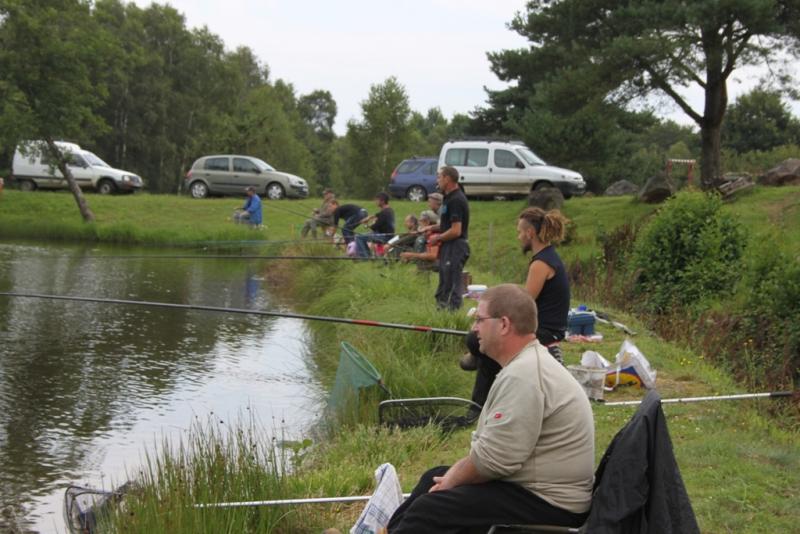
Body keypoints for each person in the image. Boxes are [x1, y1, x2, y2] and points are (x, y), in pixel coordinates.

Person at [387, 284, 594, 533]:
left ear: (504, 325)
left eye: (479, 320)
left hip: (551, 503)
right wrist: (451, 476)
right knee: (433, 477)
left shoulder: (525, 375)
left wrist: (454, 479)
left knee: (431, 509)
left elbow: (493, 461)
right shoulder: (524, 365)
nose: (474, 329)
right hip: (534, 488)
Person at [463, 207, 571, 408]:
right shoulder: (547, 257)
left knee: (480, 340)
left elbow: (524, 304)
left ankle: (477, 408)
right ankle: (484, 391)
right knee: (483, 337)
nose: (519, 236)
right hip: (547, 325)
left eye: (520, 232)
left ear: (530, 233)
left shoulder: (541, 263)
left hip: (547, 331)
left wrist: (493, 311)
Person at [430, 166, 469, 310]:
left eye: (439, 177)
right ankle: (440, 316)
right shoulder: (448, 198)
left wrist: (437, 238)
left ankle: (451, 321)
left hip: (456, 247)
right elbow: (448, 225)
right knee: (444, 284)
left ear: (447, 178)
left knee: (451, 286)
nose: (437, 180)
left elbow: (456, 230)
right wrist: (430, 228)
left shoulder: (456, 200)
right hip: (449, 247)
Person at [355, 192, 395, 258]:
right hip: (386, 234)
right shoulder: (389, 210)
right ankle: (367, 256)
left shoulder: (384, 213)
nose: (375, 202)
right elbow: (378, 214)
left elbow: (375, 226)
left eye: (377, 200)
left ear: (382, 201)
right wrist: (369, 217)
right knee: (363, 236)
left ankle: (365, 257)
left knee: (359, 237)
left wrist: (366, 225)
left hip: (384, 236)